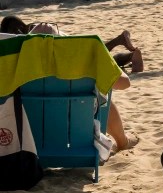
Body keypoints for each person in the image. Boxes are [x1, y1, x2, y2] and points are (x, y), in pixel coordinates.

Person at [0, 15, 139, 152]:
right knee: (102, 93)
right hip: (75, 136)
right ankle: (123, 142)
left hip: (26, 141)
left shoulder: (10, 70)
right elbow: (124, 84)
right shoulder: (77, 65)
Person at [0, 16, 143, 73]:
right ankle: (130, 55)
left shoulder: (35, 34)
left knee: (94, 56)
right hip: (72, 45)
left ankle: (119, 40)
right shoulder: (36, 29)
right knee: (103, 59)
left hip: (71, 50)